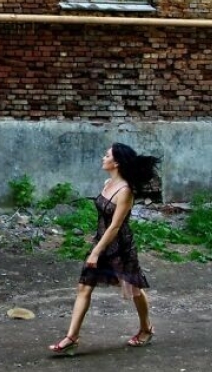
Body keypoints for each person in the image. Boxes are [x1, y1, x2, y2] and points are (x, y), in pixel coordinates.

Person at [49, 142, 161, 356]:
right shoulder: (107, 183)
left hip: (120, 246)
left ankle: (146, 329)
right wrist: (96, 246)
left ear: (116, 162)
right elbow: (103, 220)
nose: (103, 158)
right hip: (101, 242)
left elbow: (115, 226)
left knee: (133, 287)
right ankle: (72, 337)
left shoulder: (125, 191)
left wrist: (95, 252)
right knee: (84, 287)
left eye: (106, 155)